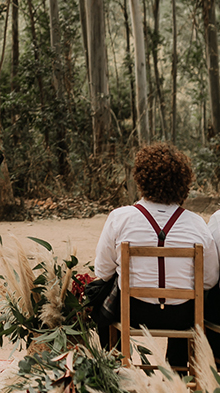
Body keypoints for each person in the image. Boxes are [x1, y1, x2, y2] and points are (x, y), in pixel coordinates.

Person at [94, 141, 219, 368]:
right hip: (181, 317)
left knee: (100, 290)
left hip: (132, 311)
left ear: (141, 179)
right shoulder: (197, 224)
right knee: (191, 296)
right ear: (183, 182)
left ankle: (111, 370)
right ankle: (178, 370)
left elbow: (102, 272)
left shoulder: (120, 218)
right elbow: (209, 280)